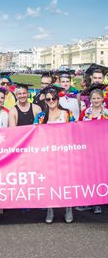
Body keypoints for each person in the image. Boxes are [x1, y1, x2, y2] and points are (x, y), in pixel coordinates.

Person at [33, 85, 75, 224]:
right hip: (47, 155)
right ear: (45, 101)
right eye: (48, 99)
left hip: (65, 153)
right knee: (49, 182)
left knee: (66, 181)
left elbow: (76, 131)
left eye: (54, 98)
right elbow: (33, 134)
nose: (51, 101)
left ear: (58, 99)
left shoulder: (67, 114)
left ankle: (68, 207)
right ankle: (50, 209)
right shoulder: (41, 116)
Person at [76, 84, 108, 214]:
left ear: (102, 99)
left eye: (98, 98)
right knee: (88, 175)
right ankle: (88, 200)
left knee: (100, 175)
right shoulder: (85, 113)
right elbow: (78, 127)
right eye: (93, 98)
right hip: (87, 148)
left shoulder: (106, 113)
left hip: (102, 148)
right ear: (90, 99)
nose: (95, 101)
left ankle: (98, 203)